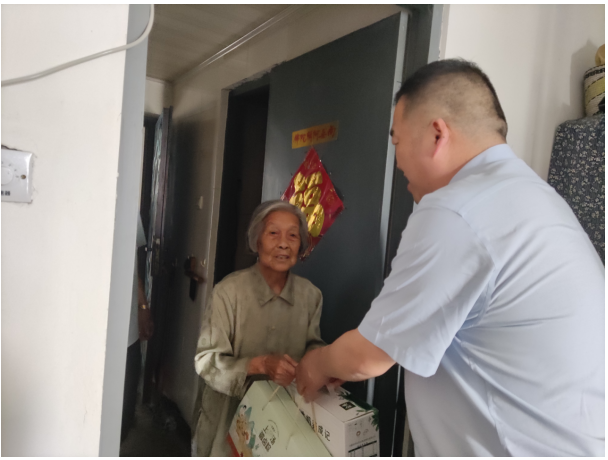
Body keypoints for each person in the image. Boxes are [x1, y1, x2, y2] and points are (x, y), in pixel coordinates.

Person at [296, 59, 604, 456]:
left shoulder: (456, 211)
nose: (397, 161)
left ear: (437, 134)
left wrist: (317, 365)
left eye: (396, 142)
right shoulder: (536, 198)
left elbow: (366, 358)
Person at [193, 200, 325, 456]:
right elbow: (206, 361)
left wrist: (323, 365)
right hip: (226, 421)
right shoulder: (228, 293)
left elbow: (314, 346)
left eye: (293, 235)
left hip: (282, 422)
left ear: (301, 245)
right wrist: (260, 365)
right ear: (257, 241)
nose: (283, 243)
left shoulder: (311, 296)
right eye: (273, 233)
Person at [121, 213, 154, 442]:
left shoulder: (128, 202)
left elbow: (132, 263)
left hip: (126, 332)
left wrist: (142, 305)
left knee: (123, 412)